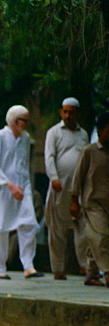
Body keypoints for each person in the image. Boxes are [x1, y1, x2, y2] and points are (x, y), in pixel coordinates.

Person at [44, 97, 93, 282]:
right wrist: (54, 178)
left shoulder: (83, 134)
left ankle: (84, 266)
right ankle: (58, 269)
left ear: (77, 114)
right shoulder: (53, 132)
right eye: (64, 111)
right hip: (59, 188)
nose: (67, 115)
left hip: (78, 189)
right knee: (56, 230)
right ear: (60, 112)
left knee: (82, 227)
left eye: (71, 112)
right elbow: (49, 157)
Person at [0, 105, 41, 279]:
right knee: (0, 227)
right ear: (14, 120)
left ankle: (28, 266)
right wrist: (9, 185)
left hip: (22, 188)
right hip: (3, 188)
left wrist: (25, 187)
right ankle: (0, 268)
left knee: (29, 223)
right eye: (24, 120)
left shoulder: (26, 139)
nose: (27, 124)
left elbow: (24, 165)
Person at [69, 112, 109, 287]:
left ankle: (91, 274)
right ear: (100, 131)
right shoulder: (89, 152)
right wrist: (73, 201)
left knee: (96, 239)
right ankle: (108, 272)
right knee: (101, 236)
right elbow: (77, 178)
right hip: (92, 203)